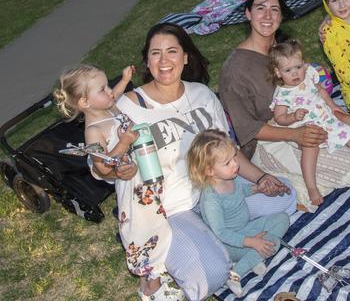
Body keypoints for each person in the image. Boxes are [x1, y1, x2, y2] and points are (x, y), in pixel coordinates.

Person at [110, 22, 295, 301]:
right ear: (146, 60)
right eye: (155, 53)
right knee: (213, 273)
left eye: (172, 51)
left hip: (216, 192)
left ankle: (220, 238)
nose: (164, 61)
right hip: (172, 211)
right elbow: (105, 166)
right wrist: (118, 168)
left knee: (285, 194)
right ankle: (212, 246)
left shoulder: (202, 94)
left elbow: (229, 150)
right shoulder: (127, 107)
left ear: (185, 57)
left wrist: (261, 179)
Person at [219, 0, 350, 211]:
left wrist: (341, 116)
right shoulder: (235, 70)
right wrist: (295, 135)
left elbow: (310, 92)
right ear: (248, 13)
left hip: (310, 120)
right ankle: (291, 184)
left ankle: (303, 180)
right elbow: (249, 131)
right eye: (260, 8)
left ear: (281, 16)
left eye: (274, 9)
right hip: (269, 141)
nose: (267, 15)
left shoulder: (283, 51)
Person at [53, 64, 183, 301]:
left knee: (162, 222)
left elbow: (116, 96)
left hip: (147, 172)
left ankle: (163, 265)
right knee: (144, 229)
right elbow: (102, 166)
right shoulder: (93, 131)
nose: (110, 91)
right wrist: (123, 143)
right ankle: (150, 284)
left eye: (108, 86)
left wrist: (123, 80)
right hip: (132, 189)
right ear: (84, 103)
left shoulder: (109, 107)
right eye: (103, 89)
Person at [269, 39, 350, 205]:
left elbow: (320, 91)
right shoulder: (282, 94)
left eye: (298, 67)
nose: (295, 73)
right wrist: (293, 116)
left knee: (348, 133)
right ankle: (311, 187)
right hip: (306, 127)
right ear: (278, 72)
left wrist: (332, 106)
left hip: (325, 117)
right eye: (288, 70)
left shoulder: (309, 74)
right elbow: (279, 118)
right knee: (310, 150)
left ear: (304, 64)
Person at [187, 130, 290, 298]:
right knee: (272, 243)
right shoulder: (211, 199)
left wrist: (257, 189)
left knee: (282, 219)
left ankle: (253, 258)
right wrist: (251, 242)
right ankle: (235, 273)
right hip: (230, 243)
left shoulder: (230, 178)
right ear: (209, 171)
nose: (236, 164)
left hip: (246, 227)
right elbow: (221, 234)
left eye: (234, 157)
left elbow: (240, 191)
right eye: (227, 163)